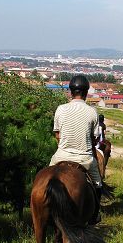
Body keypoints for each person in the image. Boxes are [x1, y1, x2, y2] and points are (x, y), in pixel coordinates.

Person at [49, 74, 103, 223]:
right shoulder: (92, 112)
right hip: (84, 159)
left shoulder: (60, 109)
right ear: (86, 92)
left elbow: (58, 135)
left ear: (70, 92)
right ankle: (94, 216)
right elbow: (94, 139)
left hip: (60, 156)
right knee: (98, 184)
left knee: (46, 178)